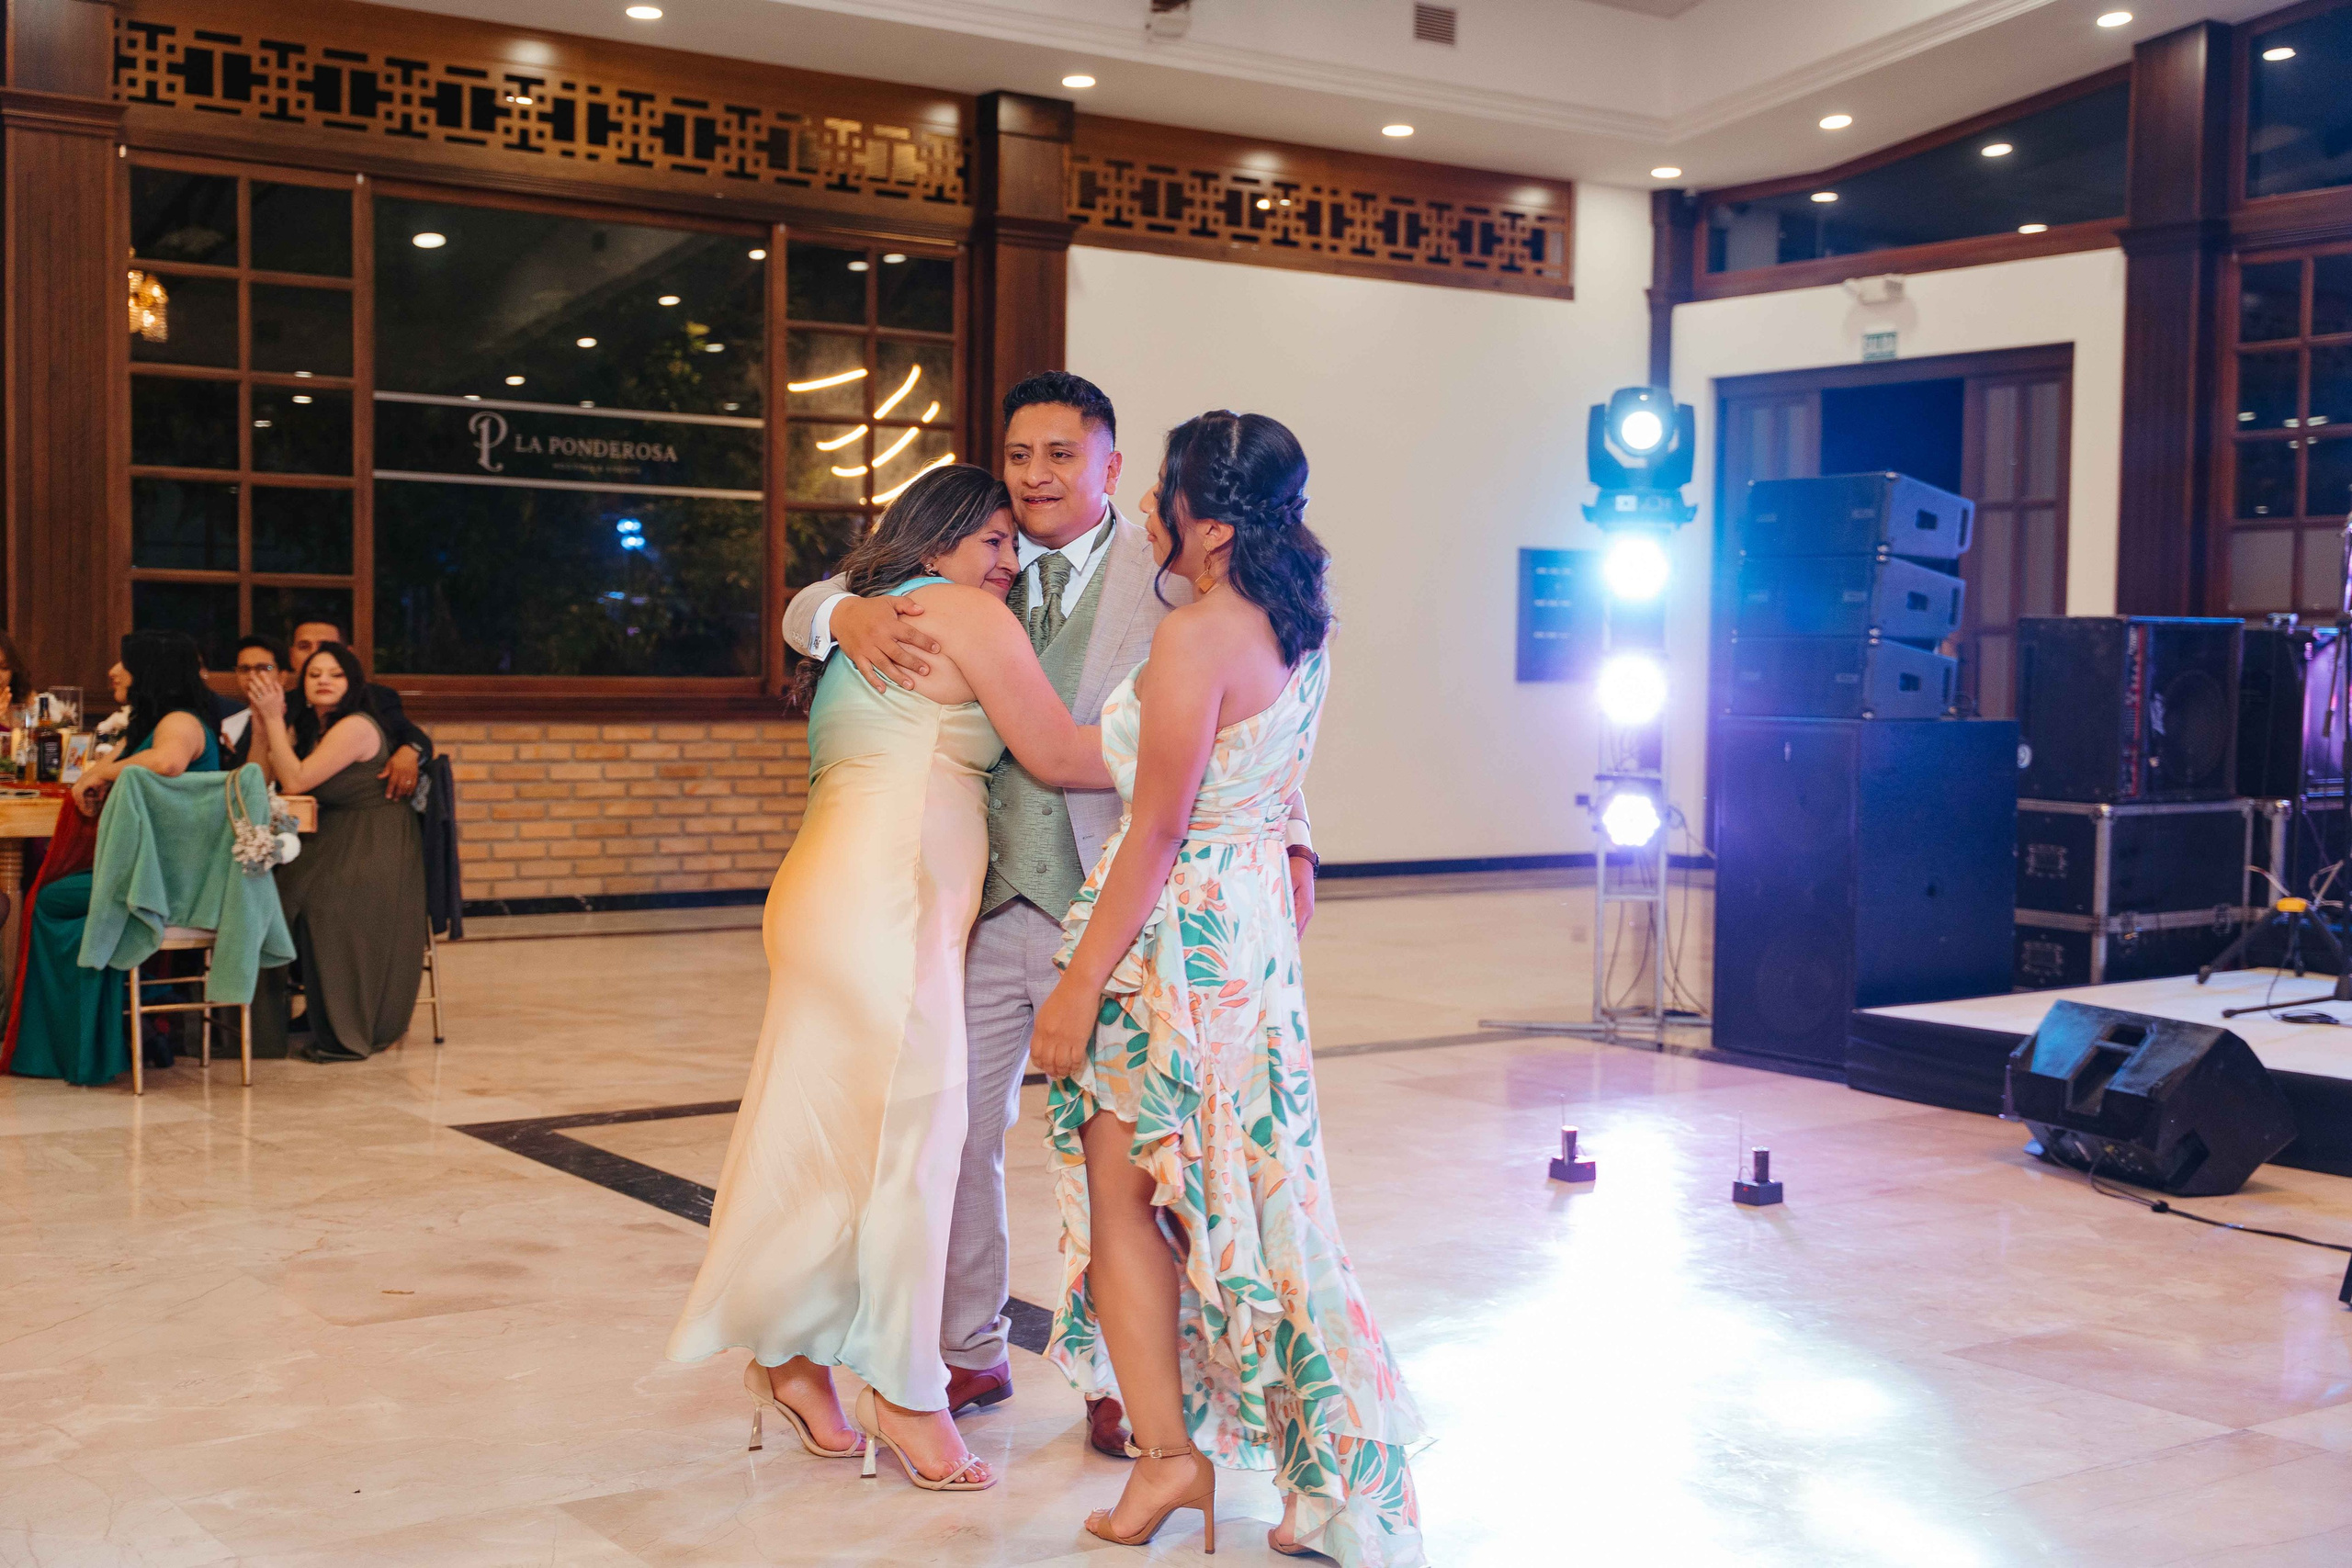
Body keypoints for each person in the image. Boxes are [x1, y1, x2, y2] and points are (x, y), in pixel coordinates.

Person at [783, 372, 1317, 1458]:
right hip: (977, 907)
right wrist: (845, 609)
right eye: (1020, 453)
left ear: (1112, 469)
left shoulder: (1167, 579)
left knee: (1126, 1162)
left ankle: (1130, 1384)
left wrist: (1294, 829)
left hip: (1118, 909)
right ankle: (964, 1344)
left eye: (1061, 455)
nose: (1034, 475)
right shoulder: (965, 554)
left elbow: (1236, 713)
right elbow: (804, 610)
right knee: (953, 1134)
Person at [1029, 412, 1425, 1565]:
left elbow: (1155, 831)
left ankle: (1172, 1460)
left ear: (1197, 514)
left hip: (1178, 932)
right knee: (1256, 1192)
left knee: (1125, 1194)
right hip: (1246, 929)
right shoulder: (1301, 623)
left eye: (1160, 493)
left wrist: (1078, 988)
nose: (1150, 510)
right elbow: (1261, 783)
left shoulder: (1196, 637)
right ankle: (1307, 1472)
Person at [670, 465, 1113, 1495]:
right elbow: (1054, 752)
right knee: (915, 1139)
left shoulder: (868, 617)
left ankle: (789, 1358)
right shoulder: (956, 610)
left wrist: (837, 603)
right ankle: (909, 1399)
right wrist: (1203, 737)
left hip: (830, 895)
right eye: (993, 540)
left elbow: (808, 612)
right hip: (888, 903)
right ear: (936, 544)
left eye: (1013, 544)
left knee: (825, 1134)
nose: (1008, 561)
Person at [10, 631, 220, 1086]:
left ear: (149, 669)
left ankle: (74, 1049)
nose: (113, 672)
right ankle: (80, 1048)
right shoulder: (150, 724)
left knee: (49, 901)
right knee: (57, 900)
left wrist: (102, 770)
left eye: (123, 662)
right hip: (149, 871)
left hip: (171, 881)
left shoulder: (179, 722)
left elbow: (167, 763)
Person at [243, 642, 427, 1062]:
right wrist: (261, 726)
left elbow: (295, 781)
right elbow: (258, 778)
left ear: (353, 684)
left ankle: (346, 1027)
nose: (324, 680)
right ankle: (260, 1031)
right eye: (314, 674)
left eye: (336, 674)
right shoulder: (311, 725)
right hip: (327, 840)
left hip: (372, 841)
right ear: (302, 685)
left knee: (324, 906)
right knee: (268, 900)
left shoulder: (356, 727)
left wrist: (274, 719)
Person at [287, 620, 432, 800]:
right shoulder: (285, 702)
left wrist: (410, 751)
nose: (316, 653)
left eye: (327, 646)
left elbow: (412, 735)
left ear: (348, 656)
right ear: (291, 656)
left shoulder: (375, 697)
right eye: (304, 646)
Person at [219, 635, 289, 766]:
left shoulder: (297, 718)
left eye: (263, 668)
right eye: (244, 669)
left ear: (282, 677)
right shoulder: (228, 725)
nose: (251, 676)